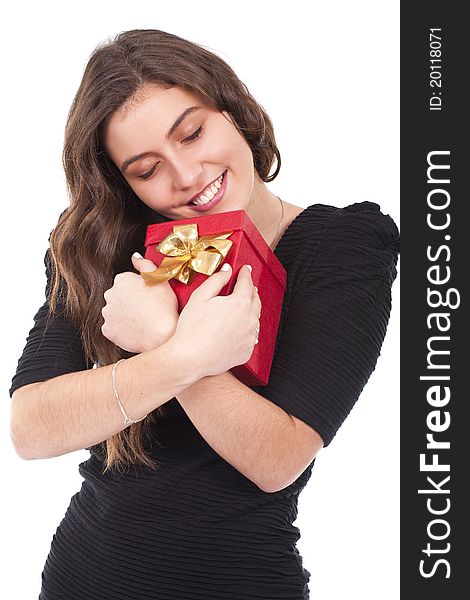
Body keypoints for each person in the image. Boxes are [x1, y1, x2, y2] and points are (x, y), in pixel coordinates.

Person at [9, 29, 400, 600]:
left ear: (233, 109)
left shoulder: (344, 244)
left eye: (192, 134)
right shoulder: (98, 250)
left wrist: (164, 338)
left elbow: (278, 458)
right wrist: (180, 356)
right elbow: (30, 427)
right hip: (78, 576)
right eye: (147, 169)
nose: (187, 176)